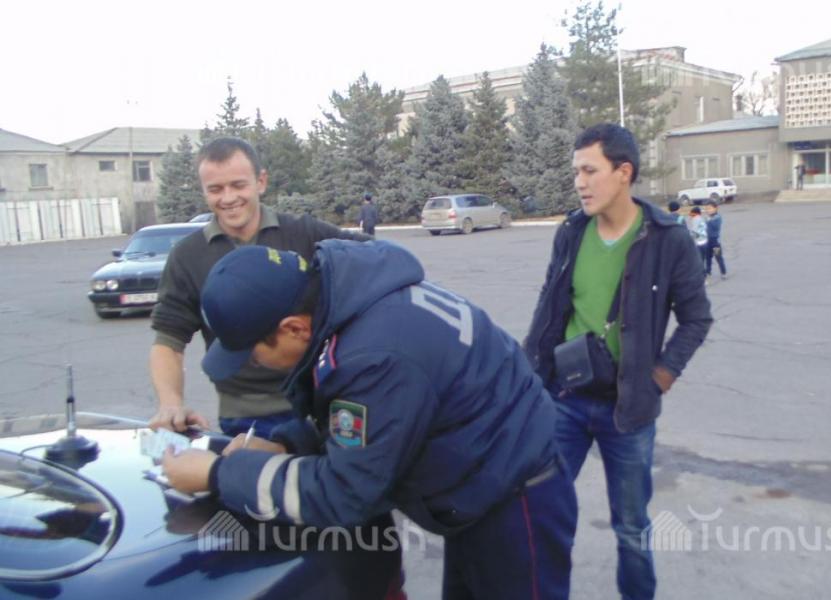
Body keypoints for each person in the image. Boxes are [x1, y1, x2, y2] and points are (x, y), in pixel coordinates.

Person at [162, 241, 577, 600]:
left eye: (253, 355)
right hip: (480, 482)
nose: (253, 365)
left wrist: (219, 474)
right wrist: (286, 444)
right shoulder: (348, 296)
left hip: (514, 500)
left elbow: (344, 492)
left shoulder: (373, 357)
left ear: (294, 328)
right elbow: (368, 422)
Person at [523, 123, 712, 599]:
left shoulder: (667, 239)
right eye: (576, 172)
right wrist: (529, 375)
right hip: (564, 401)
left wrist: (661, 376)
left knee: (631, 527)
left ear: (623, 172)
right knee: (544, 515)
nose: (579, 183)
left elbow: (696, 318)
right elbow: (549, 306)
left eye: (590, 171)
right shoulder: (572, 232)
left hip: (627, 409)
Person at [148, 137, 371, 439]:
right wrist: (170, 404)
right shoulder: (188, 256)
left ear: (261, 181)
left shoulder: (305, 233)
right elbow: (168, 341)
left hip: (323, 405)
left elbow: (377, 261)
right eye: (215, 189)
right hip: (247, 419)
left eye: (238, 185)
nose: (228, 198)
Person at [705, 202, 727, 280]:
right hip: (708, 241)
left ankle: (723, 272)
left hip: (715, 242)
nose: (708, 210)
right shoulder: (708, 218)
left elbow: (715, 227)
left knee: (718, 257)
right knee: (707, 257)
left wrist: (709, 221)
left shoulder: (717, 217)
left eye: (709, 208)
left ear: (715, 208)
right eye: (707, 209)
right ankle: (708, 272)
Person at [686, 206, 711, 275]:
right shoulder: (702, 218)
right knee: (703, 258)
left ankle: (702, 273)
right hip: (705, 241)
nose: (690, 215)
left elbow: (694, 232)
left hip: (698, 242)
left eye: (691, 213)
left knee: (698, 259)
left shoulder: (695, 219)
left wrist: (690, 238)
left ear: (695, 213)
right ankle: (705, 271)